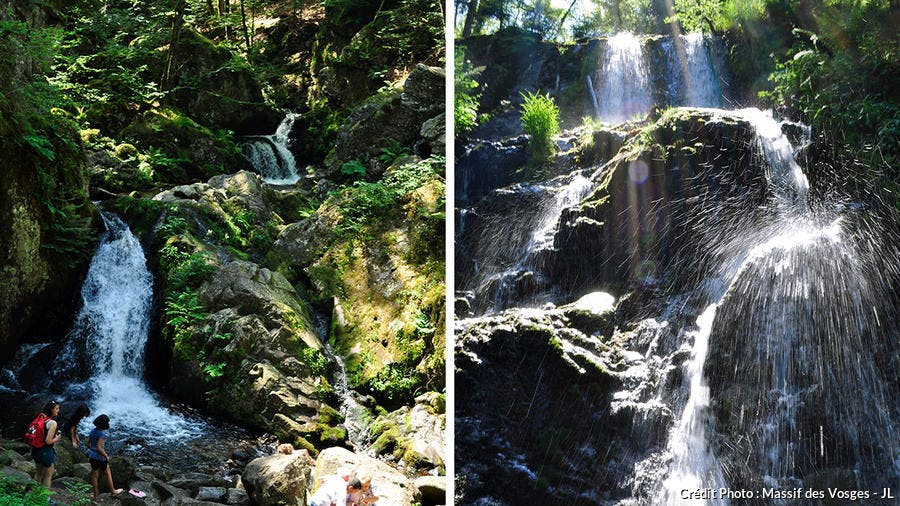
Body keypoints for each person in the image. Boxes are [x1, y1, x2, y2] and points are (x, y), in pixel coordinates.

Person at [87, 414, 124, 500]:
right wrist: (106, 455)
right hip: (100, 457)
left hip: (92, 456)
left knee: (95, 475)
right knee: (108, 472)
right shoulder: (102, 434)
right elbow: (99, 448)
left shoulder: (92, 431)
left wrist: (92, 450)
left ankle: (95, 495)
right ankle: (113, 492)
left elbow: (87, 443)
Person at [28, 400, 62, 486]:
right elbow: (48, 441)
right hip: (46, 451)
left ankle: (34, 495)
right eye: (57, 408)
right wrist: (57, 438)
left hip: (35, 450)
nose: (58, 410)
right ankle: (45, 498)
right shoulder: (52, 423)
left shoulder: (41, 417)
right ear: (51, 410)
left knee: (38, 474)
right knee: (48, 476)